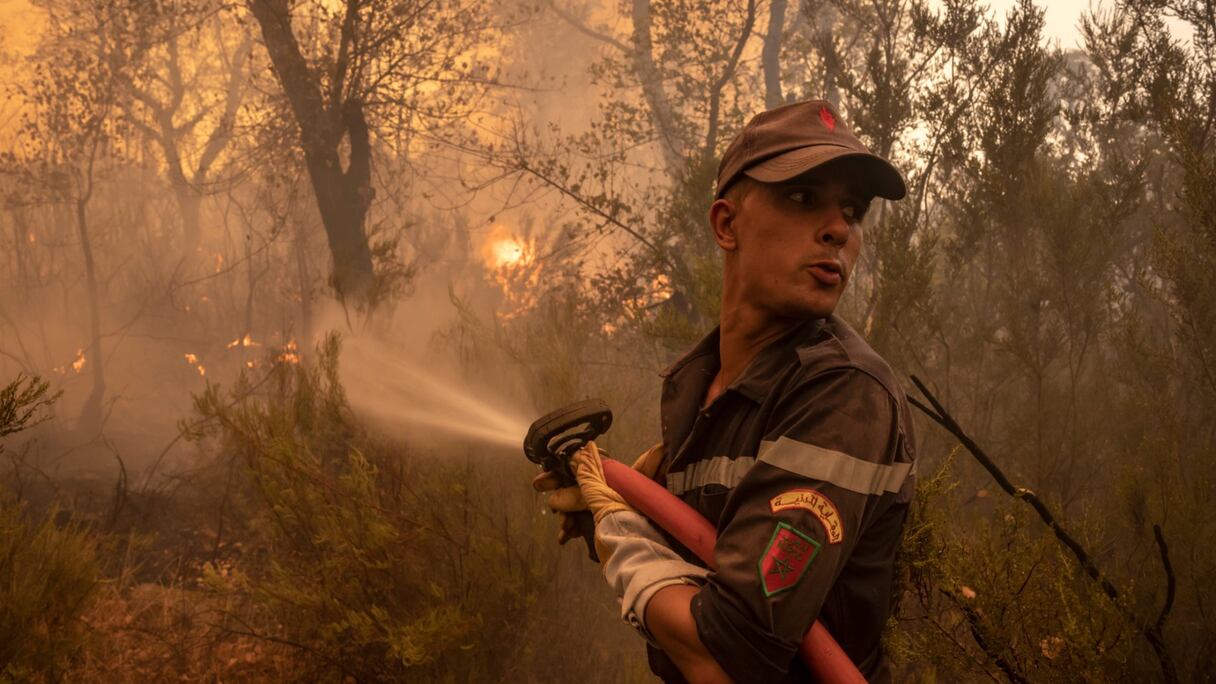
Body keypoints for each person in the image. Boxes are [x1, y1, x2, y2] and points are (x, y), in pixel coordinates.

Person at [535, 99, 917, 683]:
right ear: (726, 224)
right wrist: (618, 514)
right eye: (802, 197)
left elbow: (723, 657)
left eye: (853, 210)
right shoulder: (702, 389)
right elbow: (705, 560)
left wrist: (621, 534)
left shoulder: (842, 393)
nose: (839, 228)